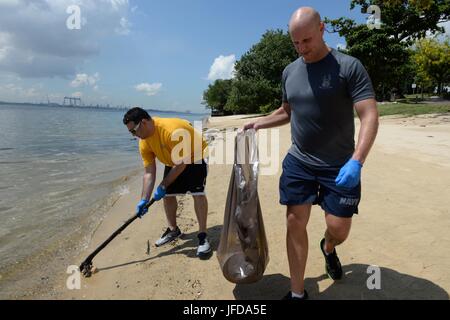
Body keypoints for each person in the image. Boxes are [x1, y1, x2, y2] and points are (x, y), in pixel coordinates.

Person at [243, 7, 379, 299]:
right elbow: (287, 111)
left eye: (306, 40)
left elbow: (369, 114)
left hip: (340, 164)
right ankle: (296, 293)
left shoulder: (349, 66)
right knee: (294, 221)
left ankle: (328, 247)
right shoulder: (290, 72)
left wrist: (357, 160)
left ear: (322, 28)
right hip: (300, 161)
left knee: (338, 228)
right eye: (296, 43)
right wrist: (258, 122)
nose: (302, 48)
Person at [123, 107, 211, 258]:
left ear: (143, 122)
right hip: (174, 160)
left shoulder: (171, 131)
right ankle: (173, 230)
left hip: (195, 156)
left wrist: (162, 185)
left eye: (134, 131)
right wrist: (144, 199)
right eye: (131, 132)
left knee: (197, 193)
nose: (134, 135)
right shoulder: (144, 142)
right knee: (168, 195)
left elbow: (182, 164)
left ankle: (203, 236)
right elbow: (149, 172)